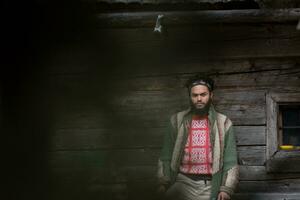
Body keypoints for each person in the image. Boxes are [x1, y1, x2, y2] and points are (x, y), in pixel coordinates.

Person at [157, 75, 239, 200]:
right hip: (182, 182)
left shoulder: (223, 123)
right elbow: (166, 155)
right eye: (195, 95)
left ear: (211, 95)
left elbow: (230, 160)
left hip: (209, 185)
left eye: (203, 94)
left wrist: (226, 189)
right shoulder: (176, 121)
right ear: (190, 97)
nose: (199, 99)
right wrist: (163, 182)